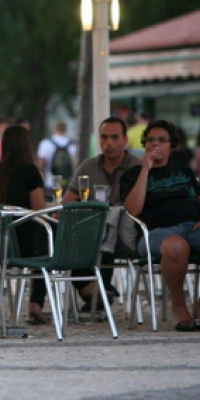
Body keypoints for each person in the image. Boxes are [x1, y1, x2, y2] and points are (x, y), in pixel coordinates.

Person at [120, 120, 200, 332]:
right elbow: (133, 210)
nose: (155, 145)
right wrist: (145, 170)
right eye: (150, 140)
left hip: (191, 227)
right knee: (176, 247)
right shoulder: (132, 174)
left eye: (161, 140)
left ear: (172, 146)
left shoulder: (182, 170)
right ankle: (178, 305)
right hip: (155, 233)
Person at [63, 117, 141, 308]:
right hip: (88, 233)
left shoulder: (137, 167)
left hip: (128, 235)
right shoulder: (88, 167)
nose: (109, 143)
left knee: (110, 221)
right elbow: (67, 204)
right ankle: (95, 289)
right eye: (104, 138)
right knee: (71, 230)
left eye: (114, 137)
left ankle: (93, 287)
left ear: (125, 140)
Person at [0, 126, 48, 324]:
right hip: (20, 246)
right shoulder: (29, 171)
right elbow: (39, 212)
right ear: (27, 146)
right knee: (46, 235)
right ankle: (36, 302)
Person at [36, 120, 76, 190]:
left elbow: (41, 164)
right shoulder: (72, 145)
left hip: (50, 182)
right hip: (66, 184)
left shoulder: (46, 143)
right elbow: (73, 164)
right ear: (65, 130)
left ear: (55, 129)